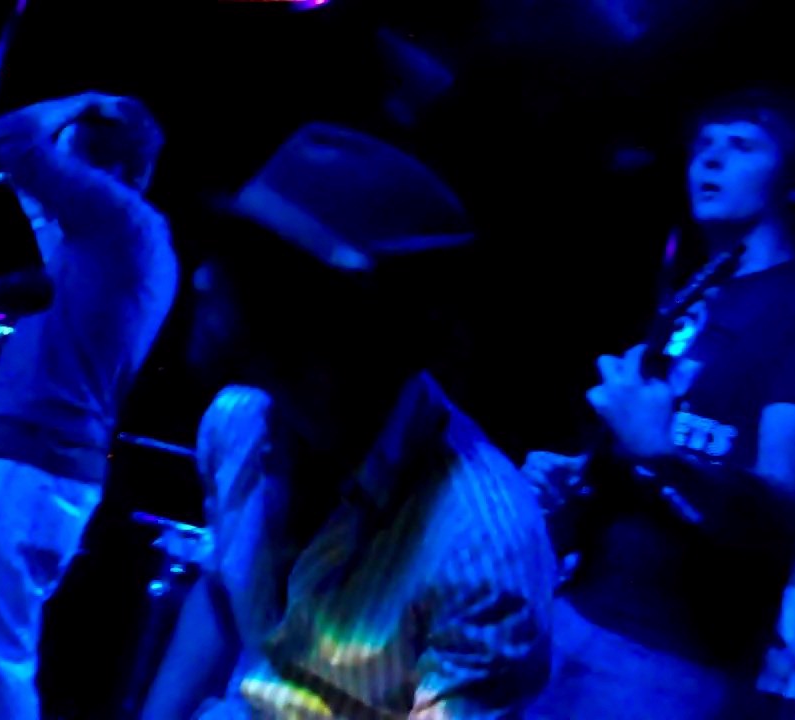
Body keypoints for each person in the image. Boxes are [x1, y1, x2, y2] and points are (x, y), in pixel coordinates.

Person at [141, 123, 557, 719]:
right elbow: (223, 592)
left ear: (325, 312)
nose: (202, 278)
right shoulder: (235, 426)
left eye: (244, 263)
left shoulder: (484, 549)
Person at [521, 89, 795, 718]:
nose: (710, 159)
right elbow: (641, 455)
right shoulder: (687, 303)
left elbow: (785, 508)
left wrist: (663, 455)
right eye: (703, 146)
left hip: (670, 661)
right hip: (573, 609)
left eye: (742, 146)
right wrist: (579, 478)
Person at [0, 92, 178, 720]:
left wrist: (84, 98)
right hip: (37, 469)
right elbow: (26, 190)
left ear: (106, 168)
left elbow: (8, 137)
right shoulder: (107, 240)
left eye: (66, 159)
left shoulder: (122, 219)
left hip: (30, 470)